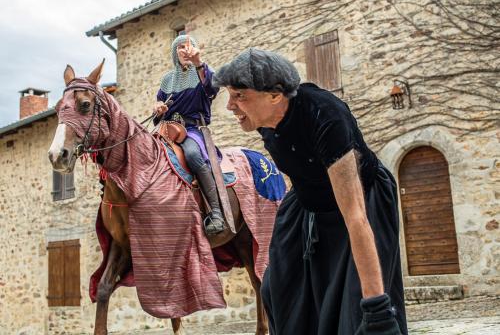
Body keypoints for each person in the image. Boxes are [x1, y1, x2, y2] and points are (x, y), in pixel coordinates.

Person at [213, 48, 408, 334]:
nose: (230, 106)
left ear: (275, 95)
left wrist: (377, 310)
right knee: (279, 291)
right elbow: (300, 165)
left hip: (360, 202)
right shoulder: (265, 121)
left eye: (239, 95)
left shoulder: (324, 116)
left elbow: (355, 216)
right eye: (229, 95)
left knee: (355, 309)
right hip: (307, 203)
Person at [154, 34, 225, 235]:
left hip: (192, 130)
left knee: (193, 155)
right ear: (175, 53)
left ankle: (217, 213)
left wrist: (199, 63)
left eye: (189, 46)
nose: (185, 50)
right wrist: (158, 108)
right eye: (180, 47)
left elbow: (212, 89)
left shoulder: (202, 72)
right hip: (168, 130)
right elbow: (160, 105)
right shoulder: (167, 80)